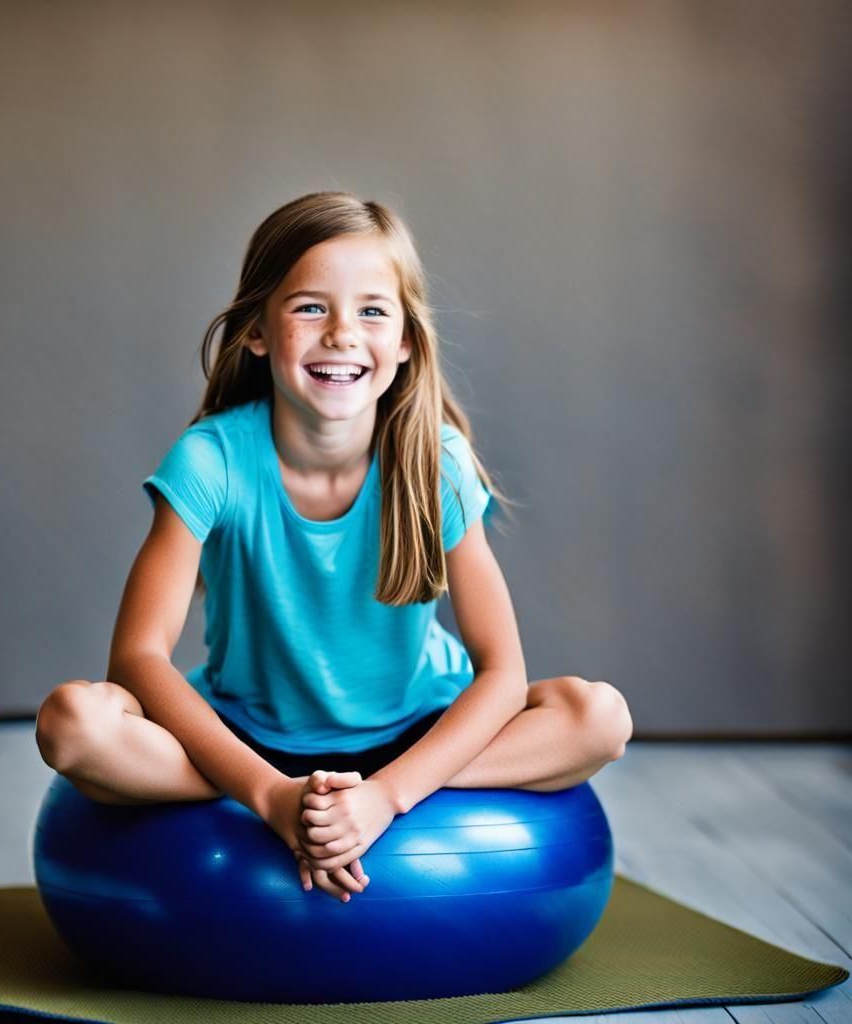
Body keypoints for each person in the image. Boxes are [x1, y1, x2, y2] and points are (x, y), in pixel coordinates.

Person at [35, 191, 633, 904]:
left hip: (413, 733)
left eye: (373, 310)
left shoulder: (435, 461)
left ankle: (369, 796)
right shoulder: (212, 460)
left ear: (407, 341)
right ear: (257, 331)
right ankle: (301, 799)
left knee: (598, 718)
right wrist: (269, 794)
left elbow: (502, 673)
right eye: (311, 307)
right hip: (251, 739)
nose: (343, 333)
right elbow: (136, 658)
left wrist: (384, 795)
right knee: (74, 726)